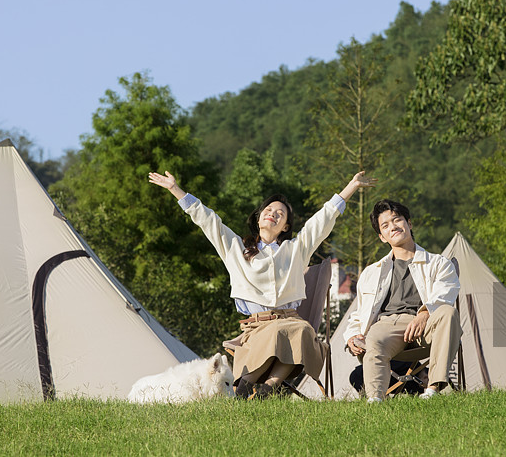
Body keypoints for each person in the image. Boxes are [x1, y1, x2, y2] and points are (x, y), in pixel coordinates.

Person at [148, 170, 375, 398]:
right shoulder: (236, 248)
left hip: (290, 321)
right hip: (256, 328)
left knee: (304, 330)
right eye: (268, 210)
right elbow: (208, 220)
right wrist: (174, 189)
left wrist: (351, 187)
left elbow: (322, 220)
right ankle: (246, 385)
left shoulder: (296, 249)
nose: (273, 214)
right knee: (288, 331)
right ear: (258, 219)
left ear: (285, 226)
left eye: (280, 213)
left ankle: (267, 389)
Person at [344, 198, 461, 402]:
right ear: (382, 237)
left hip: (426, 326)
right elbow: (359, 313)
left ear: (409, 223)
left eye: (397, 220)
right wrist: (352, 335)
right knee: (374, 339)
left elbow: (445, 295)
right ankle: (375, 401)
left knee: (448, 313)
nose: (393, 227)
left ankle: (432, 390)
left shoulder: (438, 263)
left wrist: (425, 313)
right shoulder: (372, 272)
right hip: (387, 325)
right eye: (385, 225)